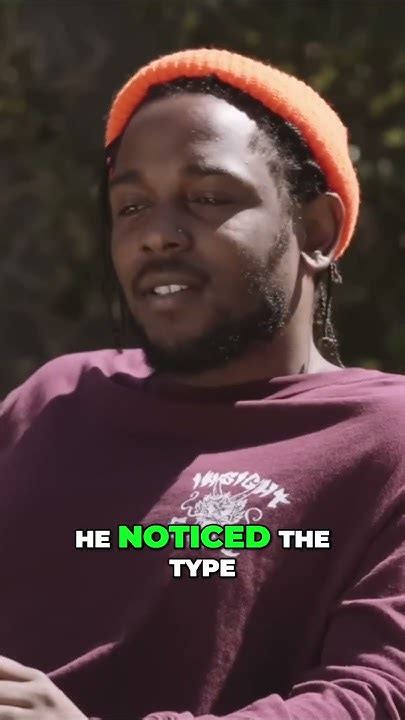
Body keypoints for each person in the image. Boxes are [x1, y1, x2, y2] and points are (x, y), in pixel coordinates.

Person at [0, 47, 404, 720]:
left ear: (317, 229)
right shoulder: (53, 401)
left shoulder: (387, 439)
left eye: (209, 198)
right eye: (131, 206)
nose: (156, 235)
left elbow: (376, 697)